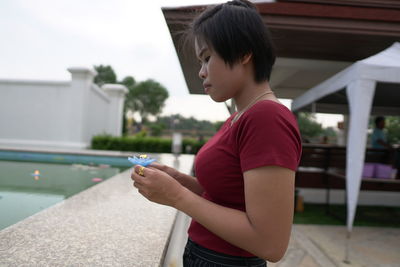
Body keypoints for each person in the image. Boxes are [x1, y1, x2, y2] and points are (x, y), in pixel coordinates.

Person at [131, 1, 302, 266]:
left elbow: (270, 243)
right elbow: (227, 199)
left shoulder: (267, 118)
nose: (201, 71)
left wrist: (176, 196)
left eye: (207, 57)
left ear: (244, 52)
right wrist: (177, 180)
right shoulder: (239, 117)